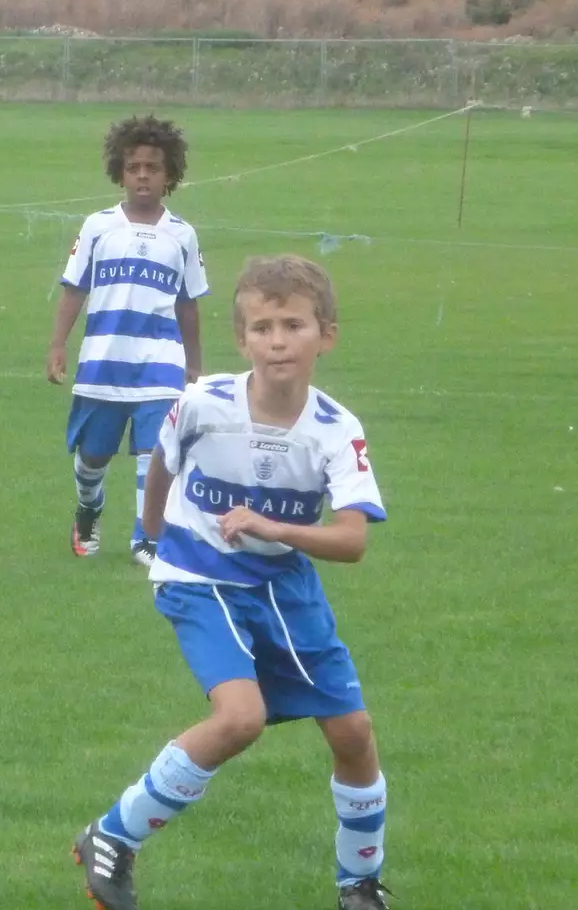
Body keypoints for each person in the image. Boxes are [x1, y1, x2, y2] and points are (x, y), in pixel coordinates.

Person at [72, 254, 393, 910]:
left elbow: (353, 540)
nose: (278, 340)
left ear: (325, 335)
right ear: (241, 339)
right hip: (199, 574)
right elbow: (163, 461)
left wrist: (277, 530)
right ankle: (111, 836)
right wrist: (157, 536)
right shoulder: (203, 403)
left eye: (294, 325)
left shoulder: (335, 429)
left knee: (354, 733)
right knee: (241, 717)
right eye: (264, 327)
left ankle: (359, 883)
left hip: (282, 584)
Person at [47, 114, 208, 566]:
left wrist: (194, 364)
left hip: (160, 361)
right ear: (120, 171)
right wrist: (58, 344)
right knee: (93, 455)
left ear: (169, 175)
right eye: (134, 167)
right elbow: (74, 289)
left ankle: (147, 538)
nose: (143, 175)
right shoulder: (98, 226)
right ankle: (88, 509)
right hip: (104, 360)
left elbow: (188, 303)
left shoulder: (182, 235)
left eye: (153, 168)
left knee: (153, 449)